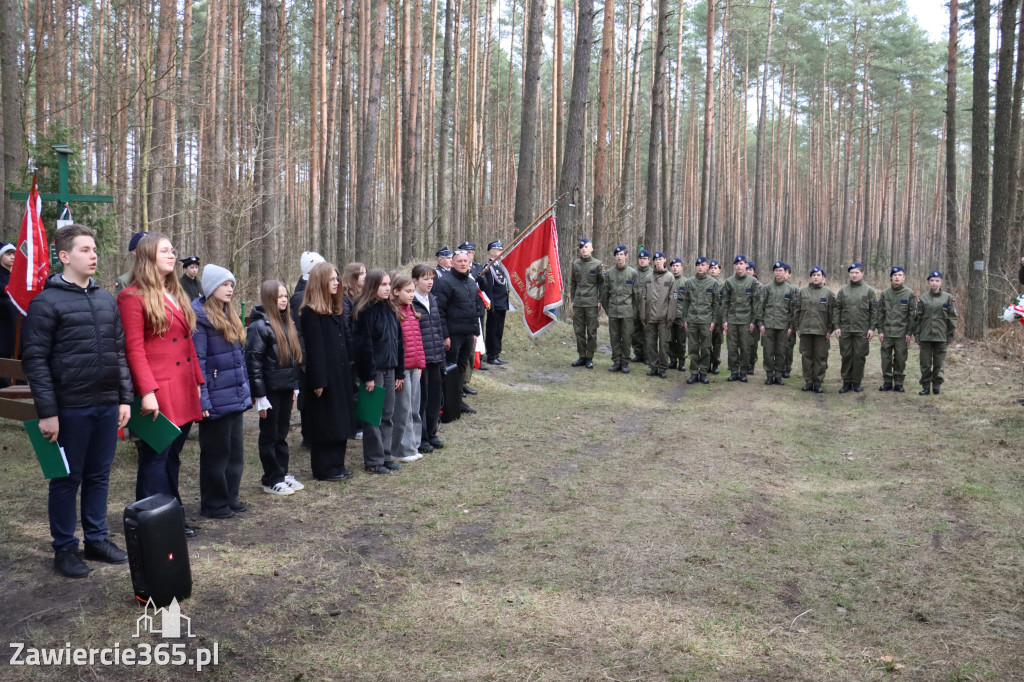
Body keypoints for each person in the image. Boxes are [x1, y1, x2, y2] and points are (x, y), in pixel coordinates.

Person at [22, 224, 133, 578]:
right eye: (85, 249)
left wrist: (123, 399)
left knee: (99, 476)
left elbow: (118, 352)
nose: (93, 255)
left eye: (95, 249)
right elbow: (35, 360)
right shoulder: (46, 302)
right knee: (67, 479)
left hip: (105, 405)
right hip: (69, 408)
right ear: (65, 256)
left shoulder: (105, 299)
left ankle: (96, 539)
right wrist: (48, 412)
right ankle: (65, 548)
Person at [118, 233, 204, 536]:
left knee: (173, 456)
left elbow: (187, 343)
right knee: (156, 456)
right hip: (158, 390)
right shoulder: (131, 296)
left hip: (183, 386)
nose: (172, 255)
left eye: (172, 250)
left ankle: (172, 514)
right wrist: (147, 392)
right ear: (147, 257)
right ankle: (151, 523)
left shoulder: (176, 293)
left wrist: (197, 382)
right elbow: (134, 349)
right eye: (165, 251)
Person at [192, 264, 252, 519]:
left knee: (234, 452)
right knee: (216, 454)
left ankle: (230, 496)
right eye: (224, 285)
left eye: (231, 285)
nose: (229, 289)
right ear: (211, 288)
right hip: (215, 398)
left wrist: (244, 393)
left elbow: (239, 360)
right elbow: (199, 362)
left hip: (234, 396)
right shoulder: (201, 319)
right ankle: (214, 503)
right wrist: (203, 400)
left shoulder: (231, 316)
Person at [299, 262, 358, 480]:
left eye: (337, 279)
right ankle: (325, 468)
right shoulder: (311, 313)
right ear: (321, 282)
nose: (337, 283)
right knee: (326, 423)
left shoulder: (335, 309)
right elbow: (315, 350)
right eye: (332, 279)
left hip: (339, 373)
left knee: (339, 420)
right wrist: (319, 381)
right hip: (324, 377)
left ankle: (337, 464)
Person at [246, 280, 304, 496]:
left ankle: (281, 473)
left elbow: (293, 359)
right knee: (269, 435)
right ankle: (271, 479)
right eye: (279, 296)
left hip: (286, 387)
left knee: (281, 433)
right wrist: (259, 395)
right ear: (269, 298)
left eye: (285, 296)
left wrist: (295, 387)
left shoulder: (287, 323)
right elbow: (254, 362)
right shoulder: (259, 327)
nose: (283, 300)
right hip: (270, 390)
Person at [352, 269, 405, 474]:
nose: (388, 288)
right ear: (373, 286)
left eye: (389, 284)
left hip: (390, 369)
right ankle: (373, 460)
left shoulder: (391, 308)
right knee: (372, 417)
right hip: (373, 372)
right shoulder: (364, 310)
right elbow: (363, 347)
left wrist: (399, 372)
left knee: (387, 414)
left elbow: (399, 342)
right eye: (383, 284)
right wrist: (368, 376)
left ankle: (386, 455)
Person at [433, 251, 485, 415]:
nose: (463, 264)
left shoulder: (470, 282)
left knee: (462, 367)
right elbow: (440, 311)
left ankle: (458, 402)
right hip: (453, 335)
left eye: (466, 261)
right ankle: (446, 403)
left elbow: (475, 308)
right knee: (450, 368)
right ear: (453, 263)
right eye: (459, 261)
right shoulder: (445, 283)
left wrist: (475, 332)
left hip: (468, 333)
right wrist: (445, 336)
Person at [290, 251, 326, 448]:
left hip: (316, 355)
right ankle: (309, 435)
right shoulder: (299, 297)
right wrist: (303, 359)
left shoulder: (314, 292)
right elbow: (298, 331)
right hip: (307, 357)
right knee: (309, 395)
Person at [391, 273, 425, 464]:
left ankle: (413, 445)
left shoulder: (411, 310)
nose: (412, 295)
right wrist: (399, 371)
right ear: (396, 292)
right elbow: (397, 344)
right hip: (402, 369)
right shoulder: (395, 312)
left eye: (413, 291)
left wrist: (421, 364)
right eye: (408, 291)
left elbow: (417, 341)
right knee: (402, 409)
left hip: (414, 367)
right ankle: (401, 449)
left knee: (414, 407)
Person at [412, 264, 446, 452]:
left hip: (435, 357)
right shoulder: (411, 302)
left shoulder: (432, 299)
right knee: (422, 400)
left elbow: (438, 329)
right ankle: (422, 437)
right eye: (425, 279)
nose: (429, 282)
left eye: (431, 278)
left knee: (434, 398)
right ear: (415, 280)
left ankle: (432, 433)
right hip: (420, 359)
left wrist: (441, 356)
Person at [833, 262, 877, 394]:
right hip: (845, 329)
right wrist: (837, 327)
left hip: (861, 329)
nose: (854, 275)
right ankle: (846, 382)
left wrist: (871, 328)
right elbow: (837, 309)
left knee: (859, 356)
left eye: (857, 272)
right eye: (852, 273)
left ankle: (856, 382)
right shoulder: (843, 290)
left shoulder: (869, 291)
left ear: (862, 273)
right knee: (846, 355)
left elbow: (874, 311)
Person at [792, 266, 835, 393]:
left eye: (818, 275)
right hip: (805, 331)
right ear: (811, 277)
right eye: (813, 275)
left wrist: (829, 330)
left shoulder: (829, 293)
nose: (816, 277)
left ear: (823, 277)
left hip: (821, 332)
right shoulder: (802, 292)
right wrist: (797, 327)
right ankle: (808, 381)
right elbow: (796, 311)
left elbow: (833, 314)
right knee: (806, 357)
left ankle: (818, 382)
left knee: (820, 358)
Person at [915, 270, 957, 395]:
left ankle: (937, 387)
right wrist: (917, 336)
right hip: (926, 336)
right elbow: (918, 318)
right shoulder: (923, 298)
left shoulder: (948, 298)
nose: (934, 283)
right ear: (929, 282)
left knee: (939, 363)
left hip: (941, 336)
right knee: (925, 363)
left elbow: (952, 318)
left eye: (937, 281)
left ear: (941, 282)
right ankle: (926, 386)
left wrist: (949, 336)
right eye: (932, 281)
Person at [876, 266, 916, 393]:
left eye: (900, 275)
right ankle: (887, 382)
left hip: (901, 333)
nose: (897, 277)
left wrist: (909, 332)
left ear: (904, 278)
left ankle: (898, 383)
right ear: (891, 278)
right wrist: (880, 330)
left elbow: (912, 315)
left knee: (900, 358)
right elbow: (880, 313)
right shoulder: (885, 293)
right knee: (886, 358)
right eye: (895, 275)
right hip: (887, 332)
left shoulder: (909, 294)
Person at [757, 261, 797, 386]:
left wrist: (791, 326)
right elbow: (760, 306)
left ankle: (778, 375)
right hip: (768, 326)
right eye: (776, 270)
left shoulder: (791, 289)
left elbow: (793, 309)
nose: (778, 273)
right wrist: (760, 324)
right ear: (774, 272)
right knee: (768, 352)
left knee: (781, 352)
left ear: (785, 273)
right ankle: (769, 375)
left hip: (783, 326)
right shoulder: (767, 288)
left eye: (781, 271)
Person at [680, 256, 718, 384]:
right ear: (696, 267)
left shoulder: (713, 283)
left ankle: (703, 373)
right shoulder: (689, 282)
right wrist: (685, 319)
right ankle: (694, 372)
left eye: (702, 265)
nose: (700, 267)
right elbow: (685, 302)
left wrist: (713, 321)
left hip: (706, 320)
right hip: (692, 320)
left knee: (706, 348)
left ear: (707, 267)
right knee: (693, 348)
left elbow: (716, 304)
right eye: (698, 265)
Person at [601, 245, 639, 374]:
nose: (619, 257)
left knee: (626, 338)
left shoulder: (632, 273)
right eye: (617, 255)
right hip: (613, 311)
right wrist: (608, 309)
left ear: (626, 255)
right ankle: (616, 361)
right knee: (614, 337)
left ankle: (625, 363)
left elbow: (636, 296)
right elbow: (605, 293)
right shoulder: (610, 273)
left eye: (622, 254)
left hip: (627, 312)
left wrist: (634, 312)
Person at [721, 255, 758, 382]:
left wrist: (753, 321)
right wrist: (724, 320)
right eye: (737, 264)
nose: (739, 266)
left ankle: (743, 372)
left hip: (746, 321)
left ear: (746, 265)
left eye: (741, 263)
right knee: (732, 347)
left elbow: (755, 303)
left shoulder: (752, 282)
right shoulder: (729, 282)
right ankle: (733, 371)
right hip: (732, 320)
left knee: (745, 348)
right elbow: (725, 302)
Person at [569, 238, 603, 368]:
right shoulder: (575, 263)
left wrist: (600, 300)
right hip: (578, 302)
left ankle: (590, 357)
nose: (584, 249)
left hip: (591, 303)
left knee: (592, 331)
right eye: (582, 247)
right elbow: (573, 282)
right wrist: (573, 299)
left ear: (591, 249)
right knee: (579, 330)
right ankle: (581, 356)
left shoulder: (597, 264)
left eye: (586, 247)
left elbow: (601, 283)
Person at [640, 251, 675, 378]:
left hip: (664, 318)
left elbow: (673, 299)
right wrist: (643, 316)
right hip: (649, 317)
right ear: (653, 261)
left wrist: (670, 317)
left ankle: (663, 368)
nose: (658, 261)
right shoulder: (648, 278)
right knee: (650, 343)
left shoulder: (670, 277)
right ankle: (653, 367)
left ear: (665, 260)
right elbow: (643, 297)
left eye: (660, 259)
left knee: (664, 344)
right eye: (656, 259)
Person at [478, 241, 510, 365]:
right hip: (494, 304)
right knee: (492, 330)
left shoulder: (499, 266)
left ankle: (497, 353)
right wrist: (490, 304)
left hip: (502, 303)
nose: (501, 252)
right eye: (498, 250)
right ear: (492, 251)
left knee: (499, 330)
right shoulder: (489, 267)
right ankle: (491, 355)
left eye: (501, 250)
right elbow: (489, 287)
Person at [631, 250, 653, 364]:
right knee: (635, 333)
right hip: (634, 307)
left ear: (649, 260)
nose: (642, 260)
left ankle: (647, 356)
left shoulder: (653, 273)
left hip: (648, 308)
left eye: (644, 258)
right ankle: (638, 354)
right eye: (640, 258)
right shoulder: (633, 272)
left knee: (647, 333)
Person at [0, 242, 18, 374]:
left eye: (14, 253)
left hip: (15, 327)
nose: (12, 256)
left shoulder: (16, 275)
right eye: (8, 253)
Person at [668, 258, 687, 371]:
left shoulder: (686, 282)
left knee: (681, 340)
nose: (675, 268)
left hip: (681, 316)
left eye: (677, 265)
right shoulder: (668, 280)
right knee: (670, 339)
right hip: (670, 315)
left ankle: (682, 361)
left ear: (681, 267)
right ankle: (673, 360)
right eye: (673, 266)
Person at [744, 260, 762, 374]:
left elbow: (760, 304)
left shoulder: (759, 285)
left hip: (754, 318)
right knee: (743, 343)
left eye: (750, 269)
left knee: (753, 343)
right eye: (747, 269)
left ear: (754, 271)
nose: (748, 271)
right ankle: (743, 363)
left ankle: (751, 364)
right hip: (742, 318)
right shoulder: (741, 283)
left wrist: (756, 321)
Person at [709, 260, 725, 373]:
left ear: (719, 270)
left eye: (715, 268)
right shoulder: (705, 283)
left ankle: (715, 364)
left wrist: (724, 320)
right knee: (706, 343)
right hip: (706, 318)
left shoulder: (723, 285)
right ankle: (707, 363)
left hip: (718, 319)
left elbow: (725, 303)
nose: (713, 270)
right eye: (711, 268)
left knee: (717, 343)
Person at [782, 264, 798, 378]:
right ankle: (777, 367)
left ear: (790, 274)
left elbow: (796, 310)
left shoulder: (795, 290)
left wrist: (792, 326)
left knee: (788, 348)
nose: (783, 274)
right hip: (776, 323)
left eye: (786, 272)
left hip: (789, 324)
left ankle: (787, 368)